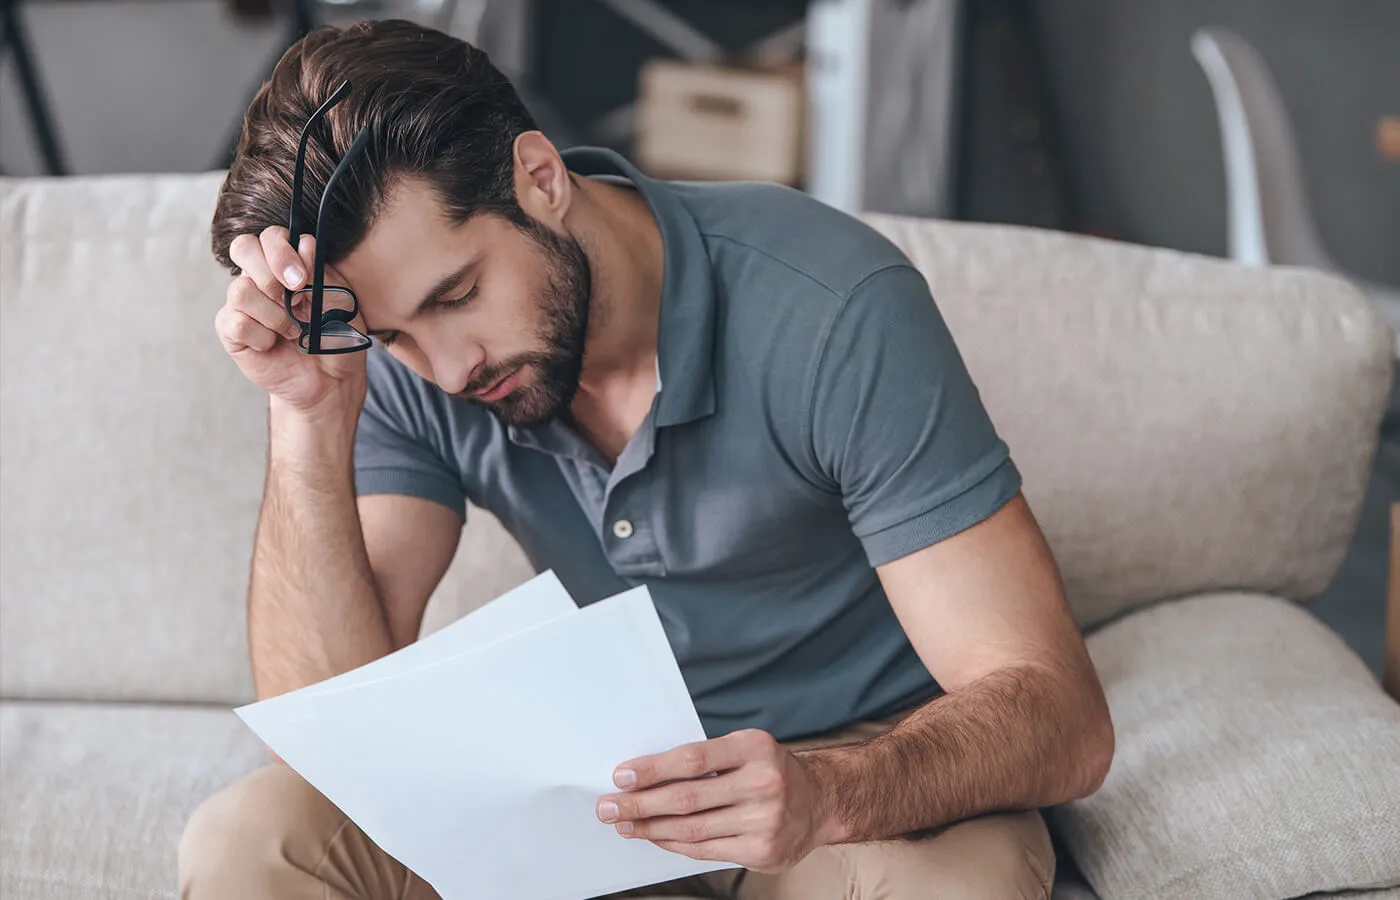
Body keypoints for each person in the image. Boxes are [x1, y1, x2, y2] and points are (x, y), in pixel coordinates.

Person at [179, 18, 1112, 900]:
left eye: (458, 293)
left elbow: (1061, 716)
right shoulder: (411, 365)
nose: (450, 368)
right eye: (393, 334)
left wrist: (829, 792)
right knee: (250, 841)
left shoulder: (831, 309)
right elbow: (334, 748)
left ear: (541, 177)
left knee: (957, 886)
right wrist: (308, 415)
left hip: (851, 779)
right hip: (595, 786)